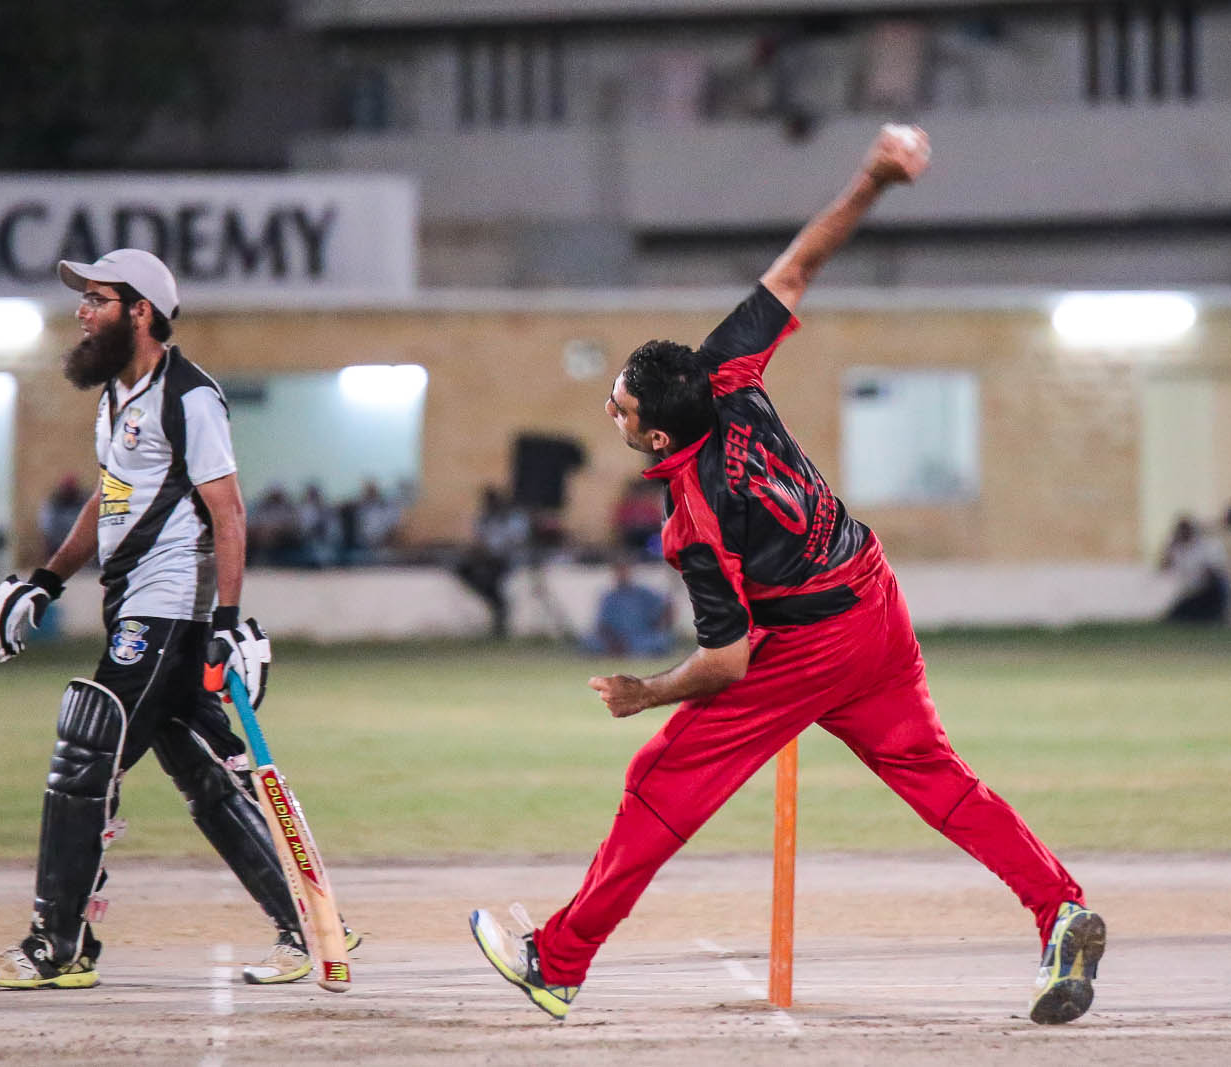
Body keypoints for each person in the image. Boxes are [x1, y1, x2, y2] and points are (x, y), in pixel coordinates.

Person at [469, 126, 1105, 1027]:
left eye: (619, 406)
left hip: (810, 643)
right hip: (874, 595)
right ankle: (1058, 906)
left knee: (662, 778)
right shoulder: (725, 370)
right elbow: (800, 267)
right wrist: (874, 177)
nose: (609, 406)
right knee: (936, 776)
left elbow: (727, 663)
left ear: (657, 435)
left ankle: (558, 961)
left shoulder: (693, 515)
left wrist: (646, 692)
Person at [0, 248, 357, 990]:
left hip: (167, 606)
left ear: (141, 311)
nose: (83, 312)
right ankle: (308, 927)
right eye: (84, 299)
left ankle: (57, 945)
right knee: (208, 773)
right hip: (137, 602)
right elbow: (109, 498)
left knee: (87, 754)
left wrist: (227, 621)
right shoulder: (116, 396)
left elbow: (228, 510)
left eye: (98, 299)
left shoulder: (190, 397)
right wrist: (47, 581)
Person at [455, 486, 530, 638]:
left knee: (493, 578)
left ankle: (498, 605)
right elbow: (479, 541)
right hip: (488, 559)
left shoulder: (513, 518)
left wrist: (495, 551)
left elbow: (516, 542)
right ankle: (496, 602)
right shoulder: (484, 519)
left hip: (507, 560)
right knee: (463, 569)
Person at [581, 559, 675, 657]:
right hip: (616, 639)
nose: (622, 574)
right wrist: (614, 641)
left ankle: (637, 653)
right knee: (590, 641)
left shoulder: (644, 593)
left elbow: (667, 607)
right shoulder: (609, 597)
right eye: (618, 572)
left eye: (624, 571)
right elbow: (602, 625)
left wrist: (659, 625)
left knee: (660, 640)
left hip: (641, 637)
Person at [1160, 515, 1231, 624]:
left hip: (1210, 591)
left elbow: (1213, 574)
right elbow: (1164, 567)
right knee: (1176, 616)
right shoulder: (1178, 548)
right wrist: (1170, 547)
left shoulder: (1207, 545)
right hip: (1193, 591)